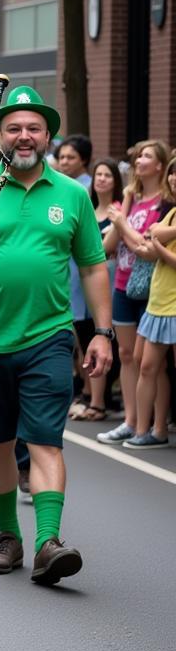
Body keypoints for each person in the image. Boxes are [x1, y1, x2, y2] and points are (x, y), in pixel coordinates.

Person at [0, 87, 112, 588]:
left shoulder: (72, 195)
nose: (24, 136)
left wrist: (102, 332)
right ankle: (8, 538)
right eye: (13, 128)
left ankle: (47, 543)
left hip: (49, 336)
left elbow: (93, 267)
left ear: (48, 136)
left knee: (45, 441)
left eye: (34, 128)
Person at [98, 140, 170, 444]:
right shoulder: (133, 198)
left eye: (147, 156)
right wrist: (125, 206)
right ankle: (130, 420)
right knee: (126, 355)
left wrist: (122, 222)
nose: (139, 161)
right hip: (123, 284)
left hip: (152, 288)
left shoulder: (165, 203)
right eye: (138, 155)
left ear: (160, 165)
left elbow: (146, 246)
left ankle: (156, 423)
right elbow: (107, 247)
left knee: (151, 362)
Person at [123, 156, 176, 448]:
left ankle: (156, 429)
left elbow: (159, 247)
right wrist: (157, 240)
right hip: (158, 300)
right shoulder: (170, 212)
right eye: (173, 173)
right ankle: (147, 431)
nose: (174, 179)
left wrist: (157, 243)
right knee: (145, 365)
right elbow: (153, 237)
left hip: (174, 303)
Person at [69, 158, 124, 421]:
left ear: (117, 181)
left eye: (107, 175)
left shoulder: (118, 211)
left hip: (107, 283)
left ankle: (100, 402)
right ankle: (88, 395)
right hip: (77, 284)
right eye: (98, 175)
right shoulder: (87, 209)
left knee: (99, 338)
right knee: (82, 339)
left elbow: (99, 251)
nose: (101, 179)